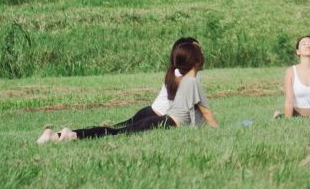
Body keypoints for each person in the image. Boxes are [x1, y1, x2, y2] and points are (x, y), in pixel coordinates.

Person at [39, 41, 218, 142]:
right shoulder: (190, 80)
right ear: (194, 59)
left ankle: (60, 135)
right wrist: (217, 131)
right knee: (115, 133)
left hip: (156, 117)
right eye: (200, 51)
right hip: (160, 120)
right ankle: (69, 135)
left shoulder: (178, 74)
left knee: (115, 131)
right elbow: (205, 112)